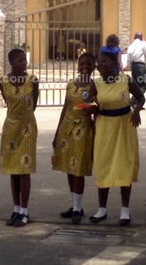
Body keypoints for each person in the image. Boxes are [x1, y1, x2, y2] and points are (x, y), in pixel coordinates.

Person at [87, 51, 144, 226]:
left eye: (103, 61)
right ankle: (102, 209)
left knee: (123, 166)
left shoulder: (125, 80)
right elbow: (90, 103)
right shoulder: (96, 84)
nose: (99, 65)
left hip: (124, 126)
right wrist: (91, 109)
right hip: (104, 127)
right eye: (98, 62)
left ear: (113, 62)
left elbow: (140, 98)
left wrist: (136, 112)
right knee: (103, 165)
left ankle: (125, 210)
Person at [52, 53, 95, 224]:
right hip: (67, 129)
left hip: (82, 130)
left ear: (93, 67)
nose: (85, 67)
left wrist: (92, 109)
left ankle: (77, 209)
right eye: (82, 63)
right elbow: (65, 108)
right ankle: (75, 205)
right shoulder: (71, 85)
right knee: (69, 169)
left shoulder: (94, 86)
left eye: (89, 64)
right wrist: (57, 133)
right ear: (78, 65)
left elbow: (97, 107)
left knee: (78, 170)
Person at [0, 49, 39, 228]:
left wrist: (25, 118)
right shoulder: (3, 82)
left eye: (24, 60)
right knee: (13, 169)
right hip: (10, 128)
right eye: (19, 60)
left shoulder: (33, 80)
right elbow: (9, 102)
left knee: (24, 168)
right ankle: (15, 209)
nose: (23, 63)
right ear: (11, 62)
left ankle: (25, 210)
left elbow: (34, 103)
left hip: (27, 127)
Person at [127, 33, 146, 107]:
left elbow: (128, 59)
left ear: (134, 38)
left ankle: (136, 104)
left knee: (136, 85)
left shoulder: (131, 46)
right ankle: (133, 100)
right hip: (140, 66)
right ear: (141, 38)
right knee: (143, 85)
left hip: (133, 66)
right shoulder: (142, 43)